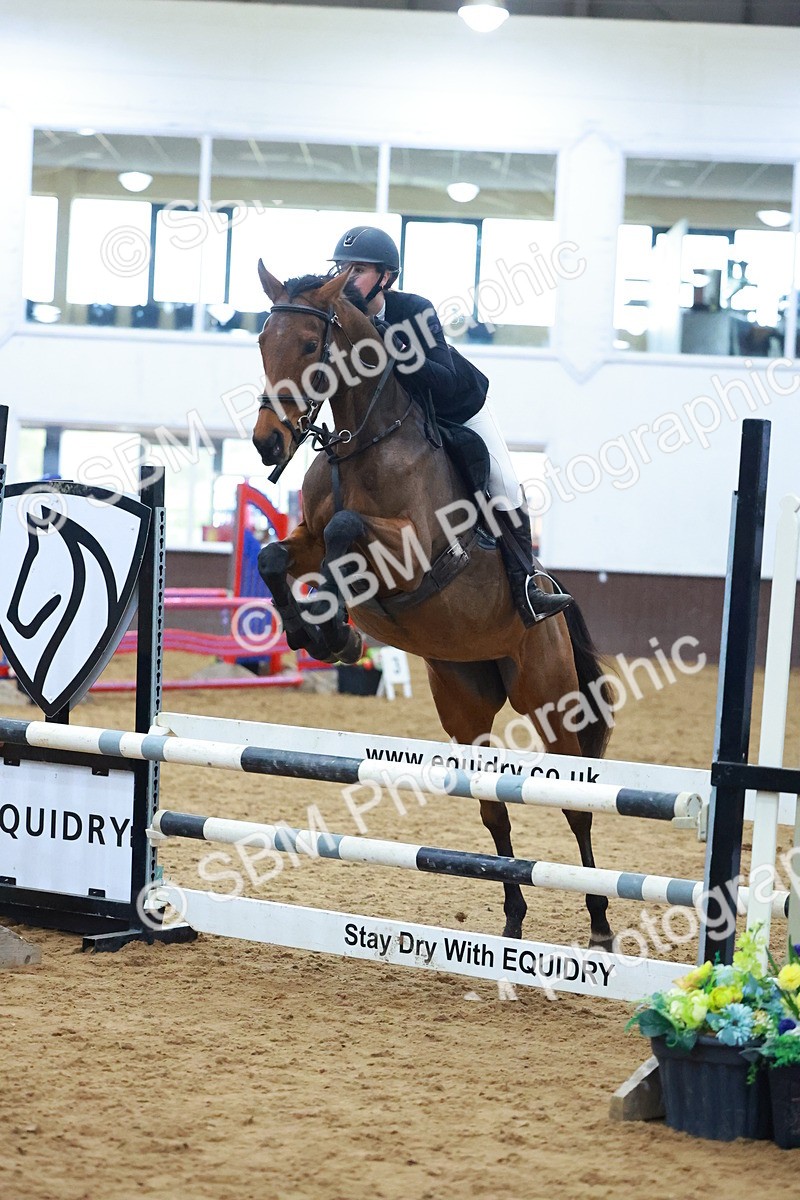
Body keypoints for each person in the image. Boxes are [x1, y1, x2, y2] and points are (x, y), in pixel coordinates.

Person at [330, 225, 572, 624]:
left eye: (358, 269)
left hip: (459, 405)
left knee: (506, 484)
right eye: (342, 267)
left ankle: (526, 583)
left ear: (386, 278)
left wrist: (397, 346)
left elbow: (444, 378)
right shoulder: (341, 318)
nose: (346, 277)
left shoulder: (413, 310)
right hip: (405, 420)